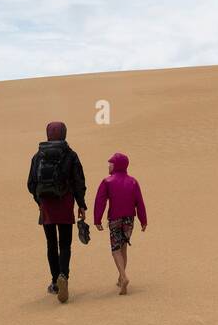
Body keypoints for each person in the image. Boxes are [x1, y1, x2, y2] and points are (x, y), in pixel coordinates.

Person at [26, 121, 87, 303]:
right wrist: (81, 204)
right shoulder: (70, 154)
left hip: (46, 207)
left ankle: (54, 282)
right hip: (65, 204)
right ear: (64, 133)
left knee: (51, 243)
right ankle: (64, 276)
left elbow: (31, 183)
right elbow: (78, 182)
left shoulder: (38, 155)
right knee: (65, 244)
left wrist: (40, 201)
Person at [93, 152, 147, 295]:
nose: (109, 166)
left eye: (111, 164)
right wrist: (143, 220)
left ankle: (123, 276)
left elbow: (100, 201)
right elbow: (139, 202)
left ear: (116, 166)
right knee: (123, 246)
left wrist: (97, 219)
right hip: (129, 219)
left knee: (115, 249)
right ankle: (120, 276)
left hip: (115, 219)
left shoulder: (107, 181)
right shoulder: (133, 181)